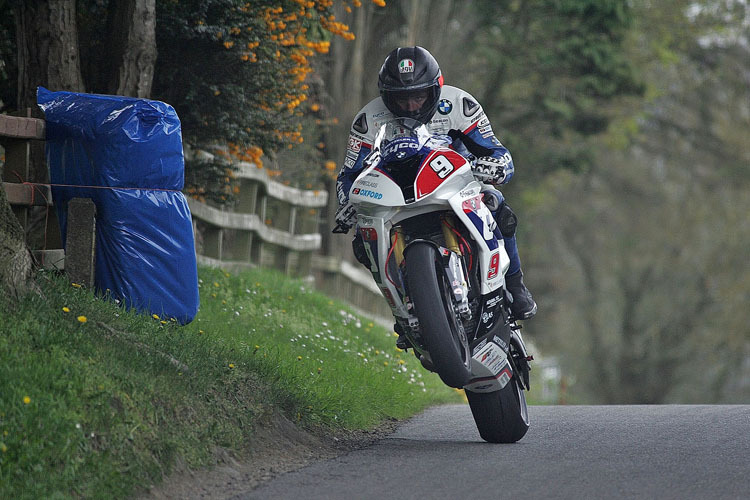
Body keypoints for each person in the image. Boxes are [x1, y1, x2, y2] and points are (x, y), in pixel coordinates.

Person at [334, 46, 536, 344]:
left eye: (419, 96)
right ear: (386, 96)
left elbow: (496, 150)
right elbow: (348, 174)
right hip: (394, 197)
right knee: (363, 241)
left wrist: (496, 167)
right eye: (401, 99)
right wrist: (347, 201)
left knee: (496, 204)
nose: (412, 106)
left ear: (435, 90)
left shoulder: (460, 104)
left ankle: (515, 285)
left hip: (455, 185)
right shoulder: (368, 119)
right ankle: (402, 312)